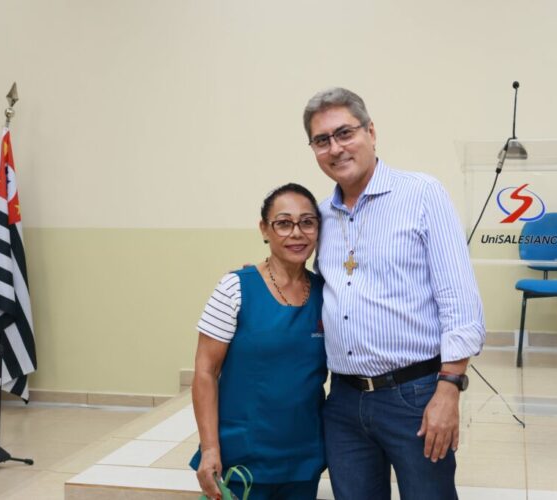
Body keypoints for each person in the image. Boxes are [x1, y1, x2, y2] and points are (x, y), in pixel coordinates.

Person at [303, 88, 486, 500]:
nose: (335, 148)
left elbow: (459, 301)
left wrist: (449, 388)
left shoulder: (421, 194)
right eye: (322, 140)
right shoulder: (322, 216)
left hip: (415, 395)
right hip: (344, 400)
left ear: (370, 132)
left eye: (345, 133)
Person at [190, 183, 326, 500]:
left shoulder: (326, 293)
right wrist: (209, 448)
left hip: (303, 459)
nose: (297, 233)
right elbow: (205, 371)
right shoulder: (235, 288)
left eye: (307, 222)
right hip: (242, 459)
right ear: (264, 229)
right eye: (284, 223)